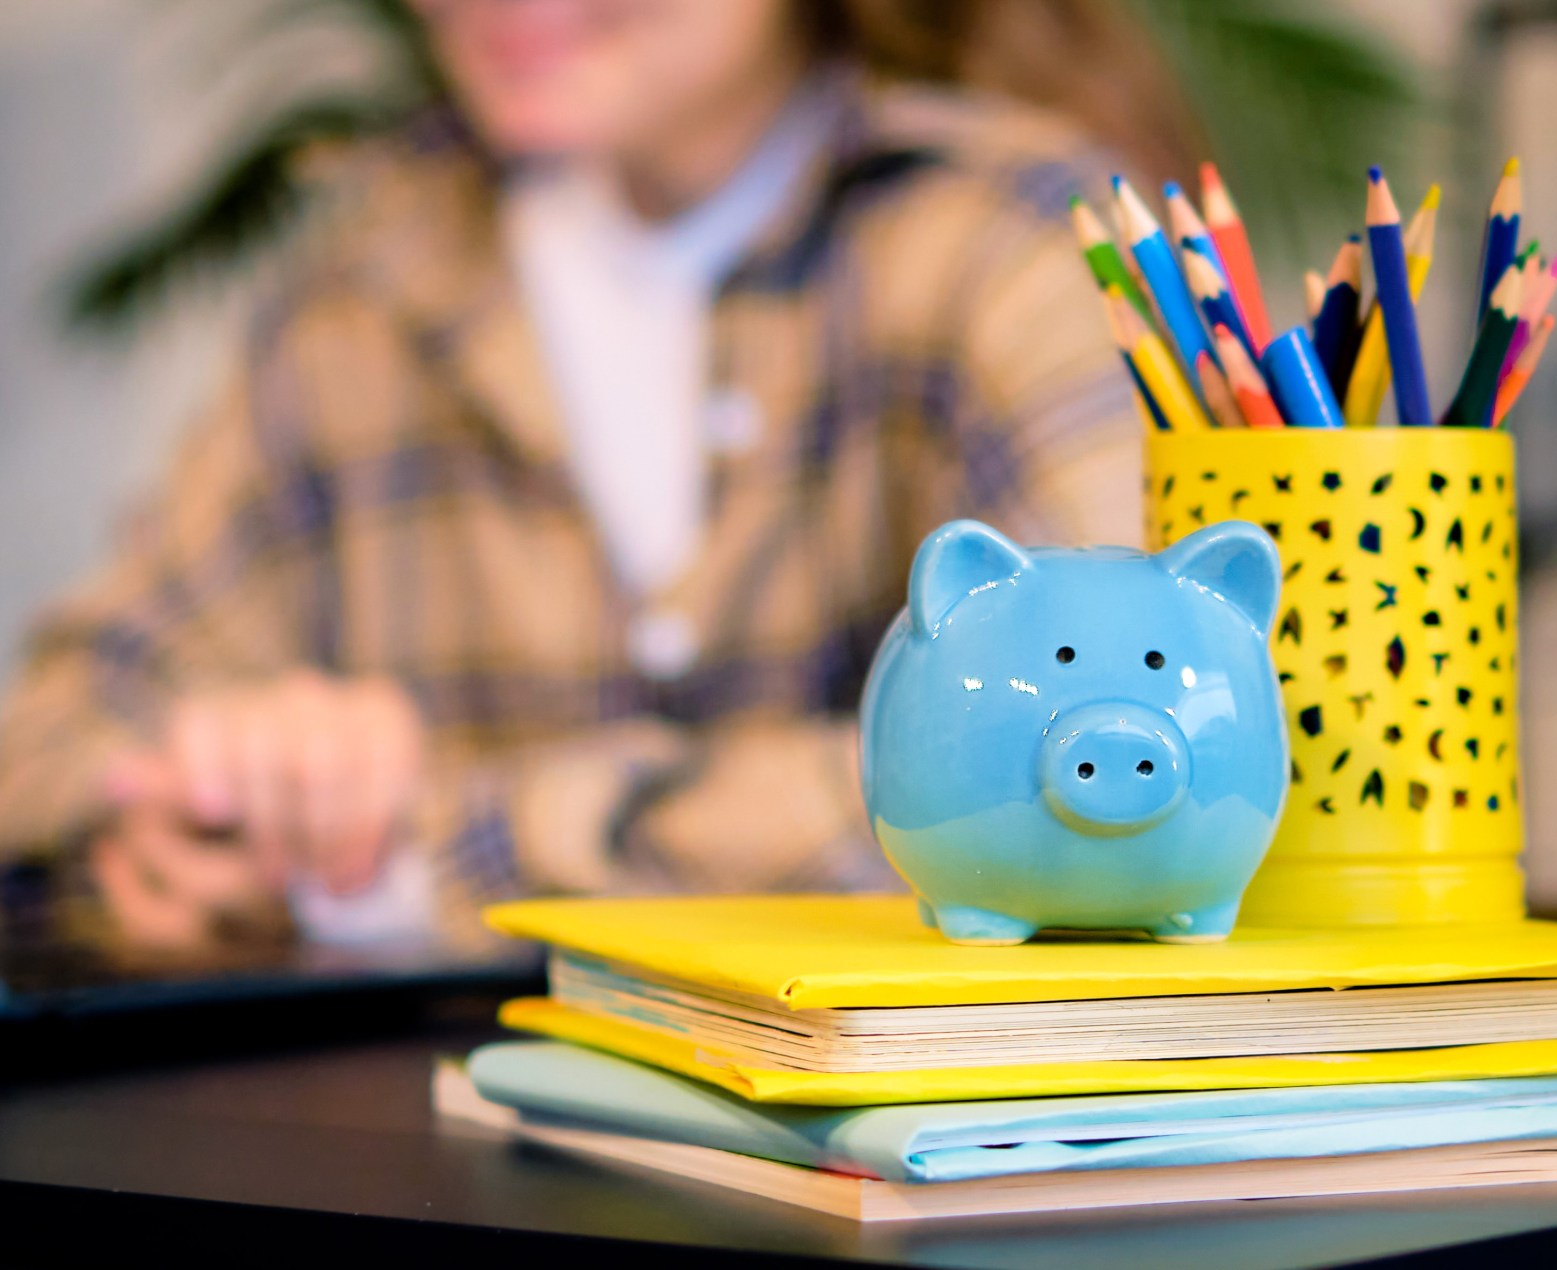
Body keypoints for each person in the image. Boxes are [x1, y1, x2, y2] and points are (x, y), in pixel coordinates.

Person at [0, 0, 1201, 950]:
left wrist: (406, 853)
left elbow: (1082, 783)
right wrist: (187, 811)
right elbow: (52, 739)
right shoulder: (363, 291)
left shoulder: (1018, 241)